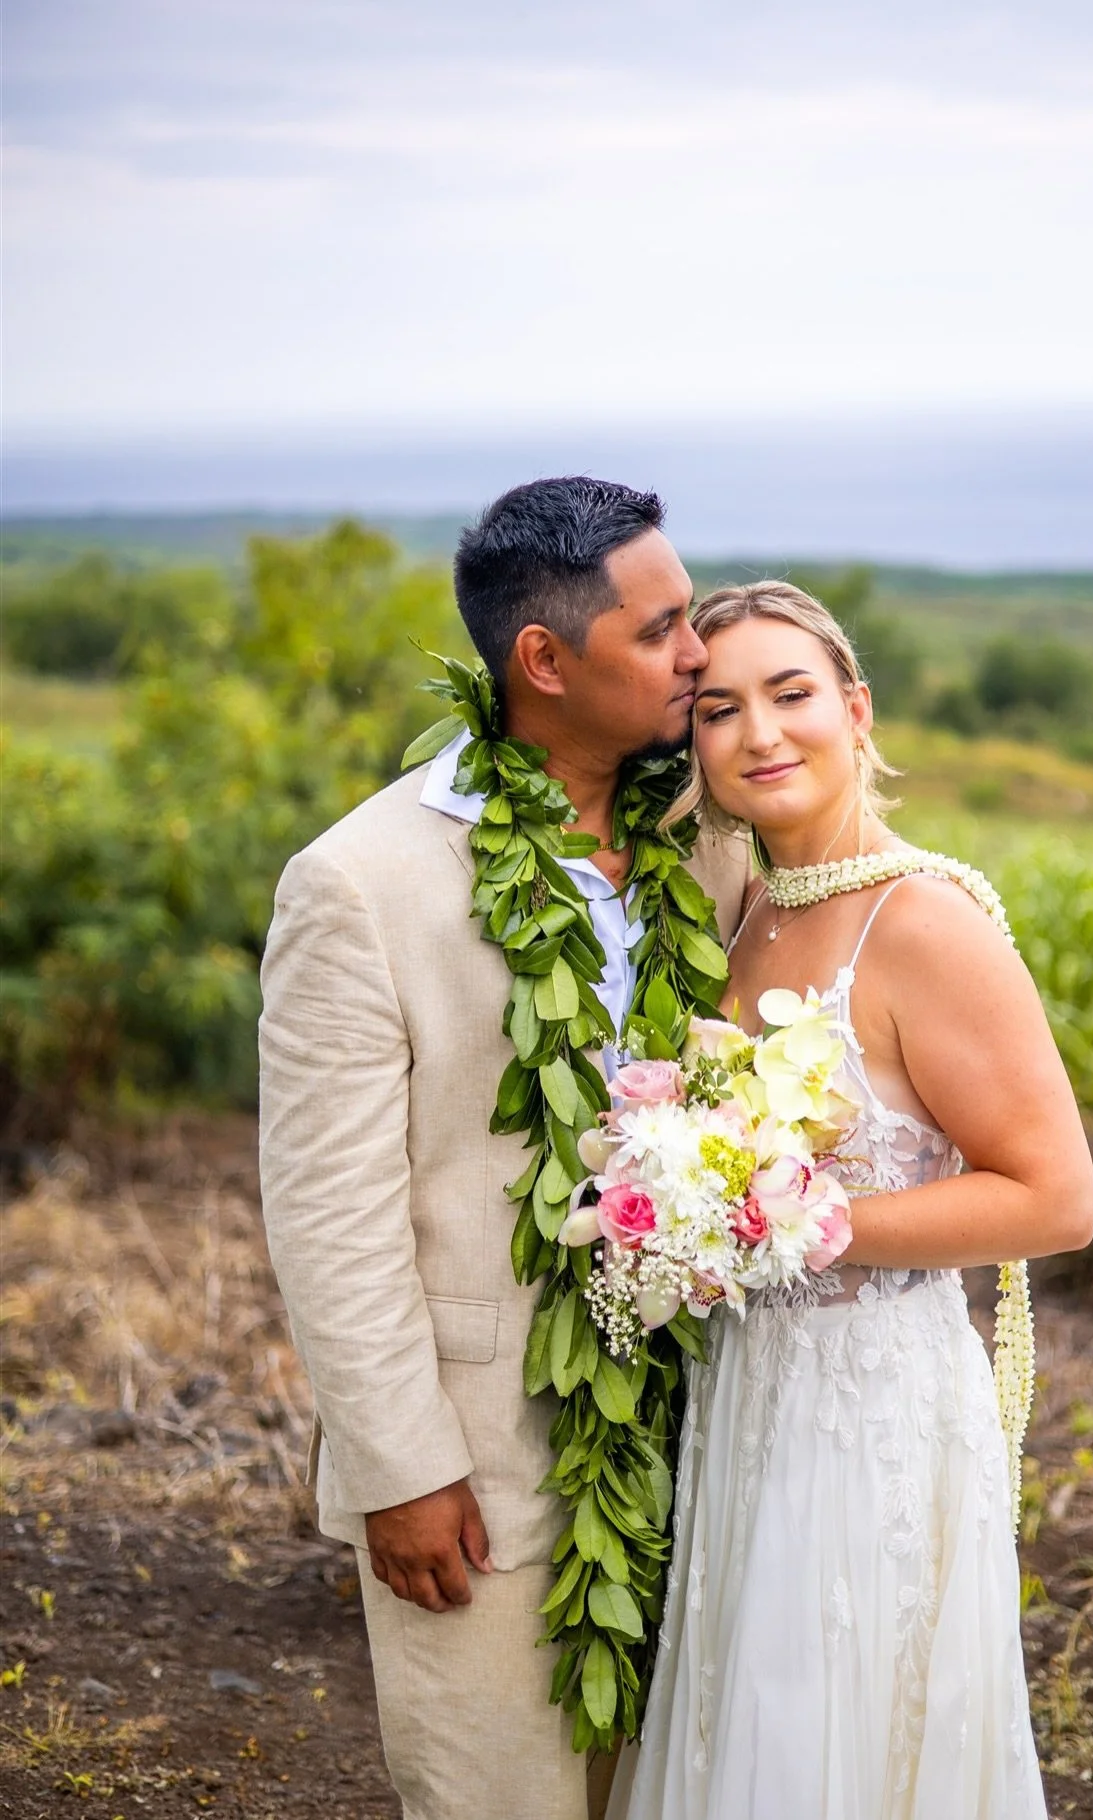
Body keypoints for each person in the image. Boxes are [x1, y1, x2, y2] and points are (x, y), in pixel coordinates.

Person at [257, 479, 750, 1820]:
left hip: (702, 1432)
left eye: (690, 617)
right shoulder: (360, 884)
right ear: (544, 659)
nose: (695, 654)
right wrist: (399, 1468)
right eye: (658, 632)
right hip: (479, 1459)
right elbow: (328, 1213)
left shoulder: (704, 840)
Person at [610, 582, 1093, 1820]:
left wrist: (799, 1223)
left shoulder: (923, 918)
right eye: (718, 709)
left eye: (791, 695)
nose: (760, 734)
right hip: (752, 1389)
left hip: (872, 1397)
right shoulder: (753, 909)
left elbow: (1054, 1197)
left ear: (857, 710)